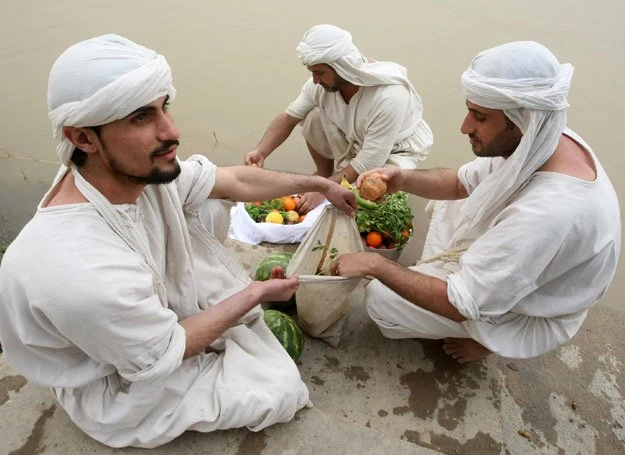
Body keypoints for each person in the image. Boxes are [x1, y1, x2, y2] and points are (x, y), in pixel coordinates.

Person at [0, 34, 357, 449]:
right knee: (277, 391)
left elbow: (235, 179)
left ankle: (153, 315)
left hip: (118, 313)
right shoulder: (80, 274)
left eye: (163, 107)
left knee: (208, 203)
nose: (171, 131)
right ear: (83, 138)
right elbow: (171, 348)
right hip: (116, 385)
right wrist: (256, 293)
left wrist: (319, 184)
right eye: (139, 117)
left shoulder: (131, 171)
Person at [331, 41, 621, 363]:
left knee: (382, 300)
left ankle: (485, 336)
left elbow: (458, 304)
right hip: (524, 251)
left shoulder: (549, 214)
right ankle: (459, 282)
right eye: (470, 111)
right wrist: (402, 178)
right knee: (447, 202)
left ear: (522, 120)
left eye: (480, 117)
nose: (464, 127)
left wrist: (374, 264)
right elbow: (459, 183)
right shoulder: (540, 138)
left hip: (533, 309)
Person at [244, 24, 433, 213]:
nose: (315, 80)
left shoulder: (389, 96)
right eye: (312, 72)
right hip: (356, 140)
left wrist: (323, 189)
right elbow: (289, 118)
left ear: (342, 67)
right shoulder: (319, 85)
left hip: (394, 151)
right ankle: (324, 174)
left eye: (319, 72)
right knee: (312, 117)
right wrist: (261, 152)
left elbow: (369, 161)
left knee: (370, 203)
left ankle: (330, 182)